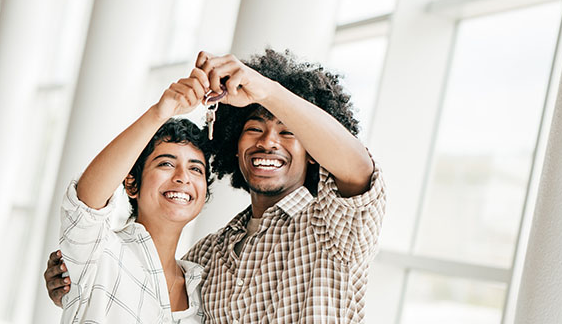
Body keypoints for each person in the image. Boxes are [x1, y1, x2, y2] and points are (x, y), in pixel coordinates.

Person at [46, 49, 386, 323]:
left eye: (287, 132)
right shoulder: (206, 260)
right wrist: (79, 279)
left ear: (313, 152)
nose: (268, 142)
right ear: (234, 144)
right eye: (254, 128)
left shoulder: (334, 228)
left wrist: (264, 89)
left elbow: (358, 169)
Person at [57, 73, 215, 323]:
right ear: (131, 183)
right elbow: (85, 204)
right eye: (166, 163)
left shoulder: (203, 289)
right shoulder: (99, 252)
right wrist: (159, 113)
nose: (183, 177)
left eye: (196, 169)